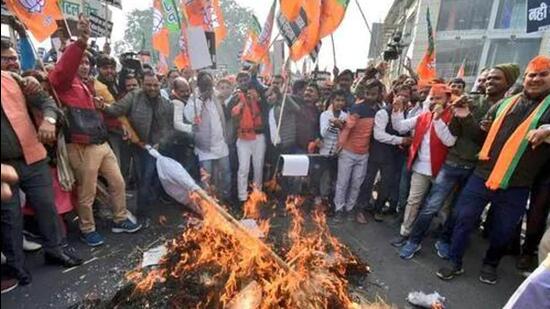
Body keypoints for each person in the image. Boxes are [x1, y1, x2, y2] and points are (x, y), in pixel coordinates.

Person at [436, 55, 550, 285]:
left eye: (543, 74)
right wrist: (466, 117)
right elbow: (481, 137)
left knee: (504, 230)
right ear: (525, 78)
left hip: (517, 184)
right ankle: (454, 260)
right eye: (532, 75)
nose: (536, 79)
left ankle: (491, 264)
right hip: (482, 175)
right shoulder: (504, 104)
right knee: (463, 218)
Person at [399, 65, 521, 260]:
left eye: (495, 79)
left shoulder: (510, 108)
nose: (488, 82)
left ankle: (445, 240)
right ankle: (413, 241)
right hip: (452, 164)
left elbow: (491, 140)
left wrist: (474, 123)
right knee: (432, 205)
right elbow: (455, 135)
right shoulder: (471, 101)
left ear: (509, 82)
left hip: (476, 169)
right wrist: (463, 115)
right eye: (487, 78)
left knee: (457, 211)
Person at [49, 16, 141, 247]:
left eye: (88, 64)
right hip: (81, 145)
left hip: (101, 143)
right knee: (87, 191)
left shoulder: (86, 86)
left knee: (118, 183)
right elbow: (66, 67)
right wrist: (81, 41)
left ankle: (120, 218)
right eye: (81, 63)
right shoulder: (63, 82)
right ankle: (87, 228)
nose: (85, 66)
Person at [2, 71, 84, 291]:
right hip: (3, 167)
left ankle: (55, 251)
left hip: (34, 158)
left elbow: (46, 101)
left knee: (47, 207)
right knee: (10, 217)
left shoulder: (14, 80)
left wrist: (49, 120)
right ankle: (15, 266)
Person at [101, 70, 175, 221]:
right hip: (140, 146)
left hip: (159, 147)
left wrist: (160, 144)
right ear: (142, 84)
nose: (152, 88)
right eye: (148, 85)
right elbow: (116, 110)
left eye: (155, 85)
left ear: (160, 85)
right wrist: (102, 106)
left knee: (157, 177)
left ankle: (154, 207)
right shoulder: (134, 97)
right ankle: (143, 215)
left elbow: (168, 128)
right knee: (144, 179)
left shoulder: (166, 104)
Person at [390, 84, 456, 247]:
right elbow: (400, 127)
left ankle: (442, 236)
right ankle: (405, 233)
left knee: (443, 207)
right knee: (413, 201)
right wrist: (397, 111)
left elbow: (449, 141)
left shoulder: (453, 116)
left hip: (442, 170)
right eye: (432, 98)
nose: (434, 101)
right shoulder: (423, 115)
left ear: (447, 99)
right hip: (420, 167)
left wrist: (438, 119)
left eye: (438, 98)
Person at [359, 84, 412, 223]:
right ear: (394, 95)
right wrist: (401, 140)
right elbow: (379, 135)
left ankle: (378, 209)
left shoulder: (408, 114)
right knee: (368, 182)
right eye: (401, 95)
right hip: (377, 153)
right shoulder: (383, 112)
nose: (403, 98)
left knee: (386, 184)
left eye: (407, 96)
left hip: (393, 155)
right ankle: (362, 209)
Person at [333, 79, 381, 222]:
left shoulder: (378, 110)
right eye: (367, 93)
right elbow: (348, 128)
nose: (370, 96)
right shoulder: (357, 108)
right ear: (363, 92)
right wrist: (340, 145)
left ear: (378, 94)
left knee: (356, 184)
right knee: (343, 182)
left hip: (363, 154)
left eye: (373, 94)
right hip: (348, 151)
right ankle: (339, 210)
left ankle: (349, 209)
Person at [184, 71, 231, 201]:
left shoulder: (216, 95)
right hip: (205, 148)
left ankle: (225, 200)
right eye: (206, 86)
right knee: (206, 178)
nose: (209, 89)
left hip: (221, 145)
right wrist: (200, 99)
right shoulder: (195, 98)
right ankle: (209, 204)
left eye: (210, 85)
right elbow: (190, 117)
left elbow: (228, 94)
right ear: (199, 86)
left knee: (226, 174)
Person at [231, 85, 267, 202]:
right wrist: (241, 103)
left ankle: (257, 194)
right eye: (249, 92)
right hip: (243, 139)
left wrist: (258, 101)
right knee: (243, 168)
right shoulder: (238, 100)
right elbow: (233, 113)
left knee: (258, 167)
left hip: (259, 138)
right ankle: (242, 196)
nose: (251, 94)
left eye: (254, 92)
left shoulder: (263, 104)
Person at [316, 90, 348, 203]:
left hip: (338, 153)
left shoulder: (346, 116)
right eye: (337, 100)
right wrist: (332, 123)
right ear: (332, 101)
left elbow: (344, 135)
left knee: (335, 178)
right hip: (325, 151)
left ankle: (331, 201)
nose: (340, 103)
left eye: (342, 100)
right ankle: (321, 200)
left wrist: (340, 126)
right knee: (324, 177)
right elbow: (323, 133)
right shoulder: (325, 115)